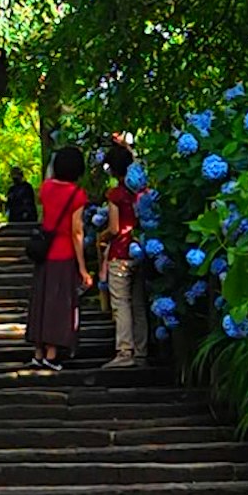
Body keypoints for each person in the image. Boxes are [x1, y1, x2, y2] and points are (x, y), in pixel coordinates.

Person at [21, 137, 88, 374]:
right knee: (59, 304)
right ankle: (51, 353)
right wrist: (83, 268)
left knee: (41, 301)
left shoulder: (46, 188)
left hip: (45, 254)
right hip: (64, 254)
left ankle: (38, 353)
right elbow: (76, 231)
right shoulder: (77, 194)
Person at [97, 151, 149, 374]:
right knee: (138, 303)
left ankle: (124, 352)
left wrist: (101, 236)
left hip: (121, 253)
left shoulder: (116, 194)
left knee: (121, 303)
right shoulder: (141, 192)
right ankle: (141, 351)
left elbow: (115, 228)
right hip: (140, 250)